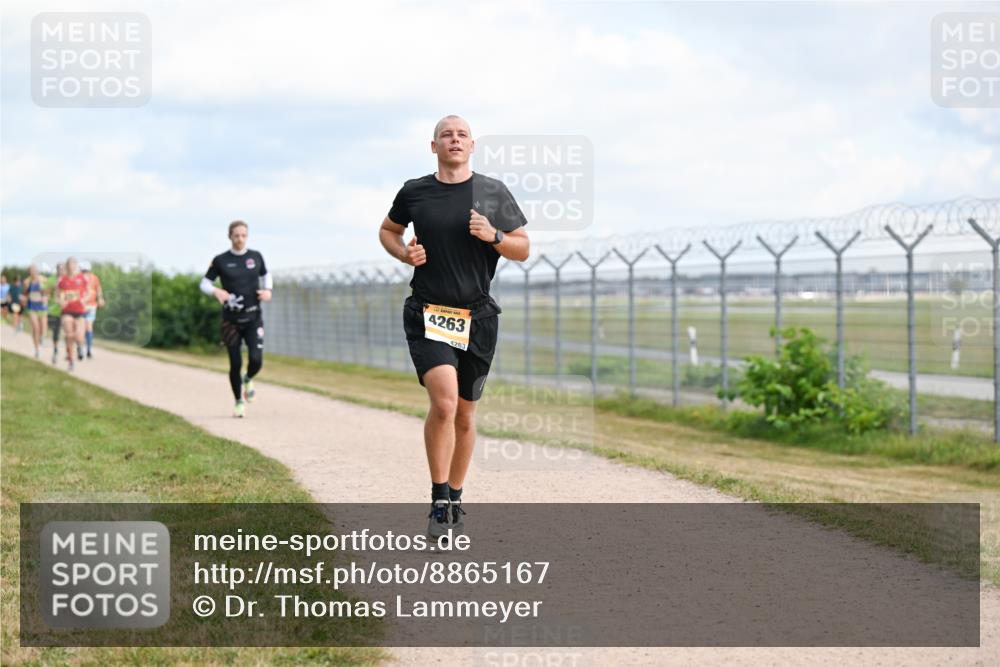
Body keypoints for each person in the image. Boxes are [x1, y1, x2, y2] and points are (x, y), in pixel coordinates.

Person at [378, 115, 530, 537]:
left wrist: (494, 235)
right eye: (447, 134)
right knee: (443, 404)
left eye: (462, 134)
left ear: (472, 145)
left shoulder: (492, 192)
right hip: (429, 311)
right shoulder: (415, 192)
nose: (455, 139)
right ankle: (439, 498)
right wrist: (403, 254)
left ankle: (457, 498)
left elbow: (523, 248)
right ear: (434, 146)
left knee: (464, 415)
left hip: (478, 317)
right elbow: (388, 231)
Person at [200, 220, 272, 418]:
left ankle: (248, 379)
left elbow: (267, 275)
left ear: (247, 236)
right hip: (230, 321)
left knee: (256, 360)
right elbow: (204, 284)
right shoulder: (221, 260)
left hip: (253, 318)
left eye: (243, 235)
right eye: (236, 235)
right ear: (230, 236)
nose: (240, 239)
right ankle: (239, 401)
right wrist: (216, 291)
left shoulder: (256, 257)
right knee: (235, 363)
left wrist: (268, 291)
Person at [57, 258, 88, 371]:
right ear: (67, 266)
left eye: (73, 264)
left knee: (79, 336)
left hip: (80, 311)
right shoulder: (62, 280)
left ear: (76, 266)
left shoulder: (82, 278)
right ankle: (71, 361)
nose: (71, 266)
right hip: (67, 311)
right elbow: (58, 296)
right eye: (69, 264)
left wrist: (84, 299)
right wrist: (61, 301)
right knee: (69, 335)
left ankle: (80, 346)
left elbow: (88, 293)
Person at [80, 260, 105, 359]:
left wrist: (100, 298)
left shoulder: (94, 278)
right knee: (85, 327)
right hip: (82, 305)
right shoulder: (81, 278)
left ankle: (87, 349)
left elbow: (98, 289)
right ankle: (85, 349)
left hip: (90, 305)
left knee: (87, 326)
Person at [24, 265, 49, 358]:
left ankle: (42, 338)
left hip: (42, 307)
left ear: (38, 271)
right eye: (31, 270)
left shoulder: (44, 280)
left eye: (35, 270)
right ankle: (37, 350)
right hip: (32, 307)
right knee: (36, 328)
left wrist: (45, 297)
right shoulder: (27, 281)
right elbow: (26, 293)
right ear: (29, 272)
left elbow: (47, 292)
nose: (33, 272)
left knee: (43, 328)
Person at [46, 263, 65, 365]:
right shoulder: (51, 280)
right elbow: (46, 294)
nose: (61, 271)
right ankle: (56, 349)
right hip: (53, 310)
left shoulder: (68, 280)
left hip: (65, 310)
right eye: (59, 269)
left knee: (62, 330)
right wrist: (53, 288)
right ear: (57, 270)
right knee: (54, 331)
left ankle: (60, 350)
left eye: (63, 269)